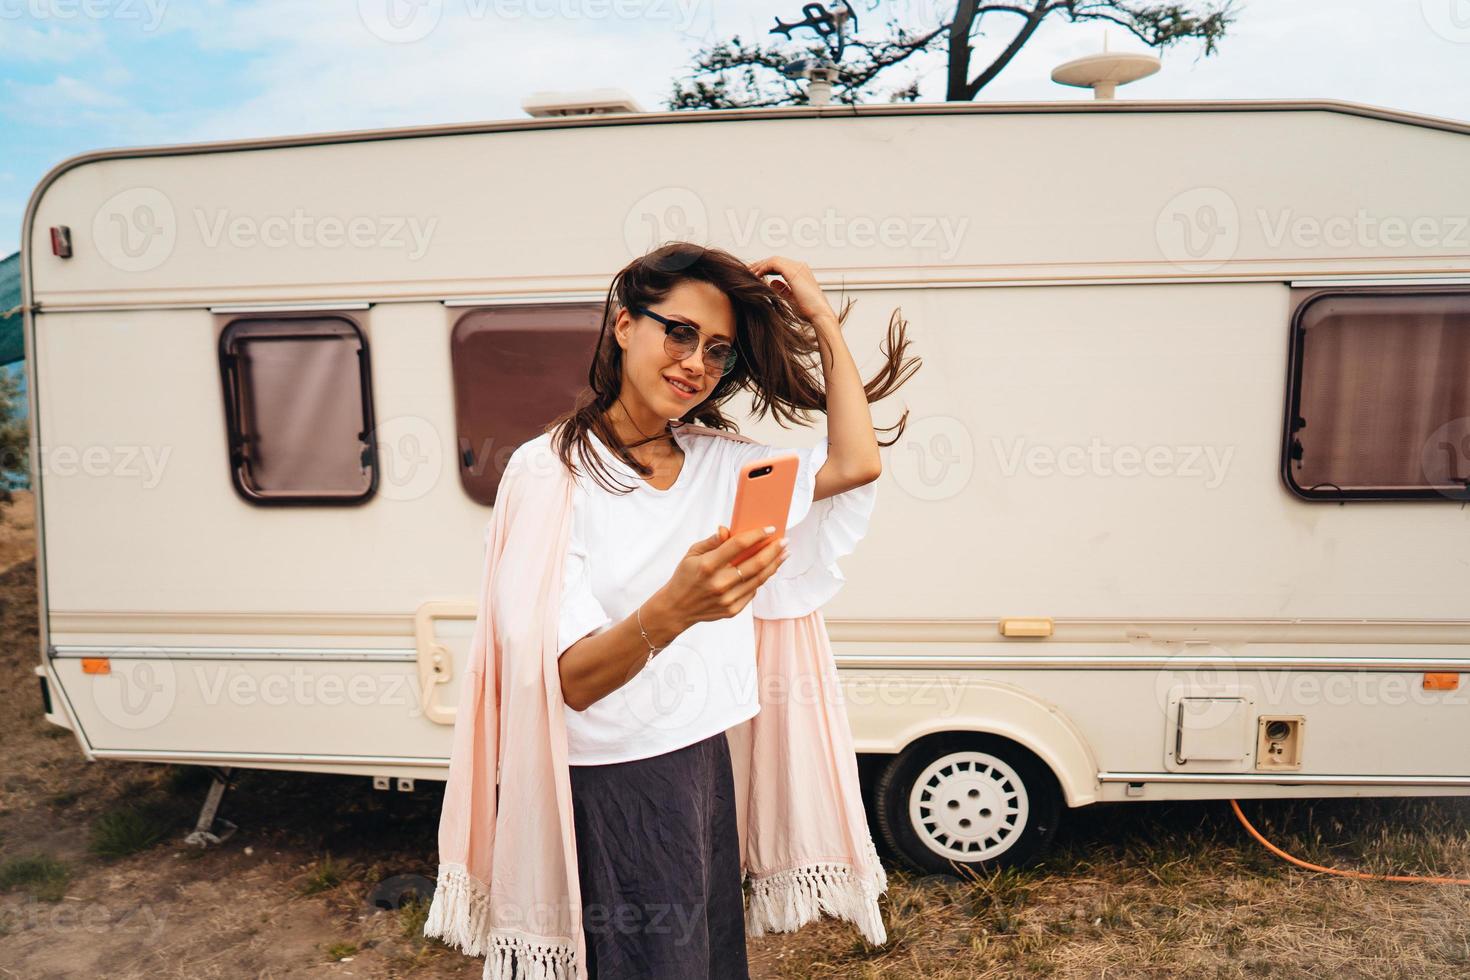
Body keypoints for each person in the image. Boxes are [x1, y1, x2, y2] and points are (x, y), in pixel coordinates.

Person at [515, 242, 917, 978]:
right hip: (614, 775)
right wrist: (675, 609)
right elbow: (569, 682)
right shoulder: (552, 472)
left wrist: (820, 318)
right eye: (680, 333)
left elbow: (856, 462)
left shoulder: (721, 462)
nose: (697, 363)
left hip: (705, 754)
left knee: (707, 961)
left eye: (720, 351)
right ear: (622, 324)